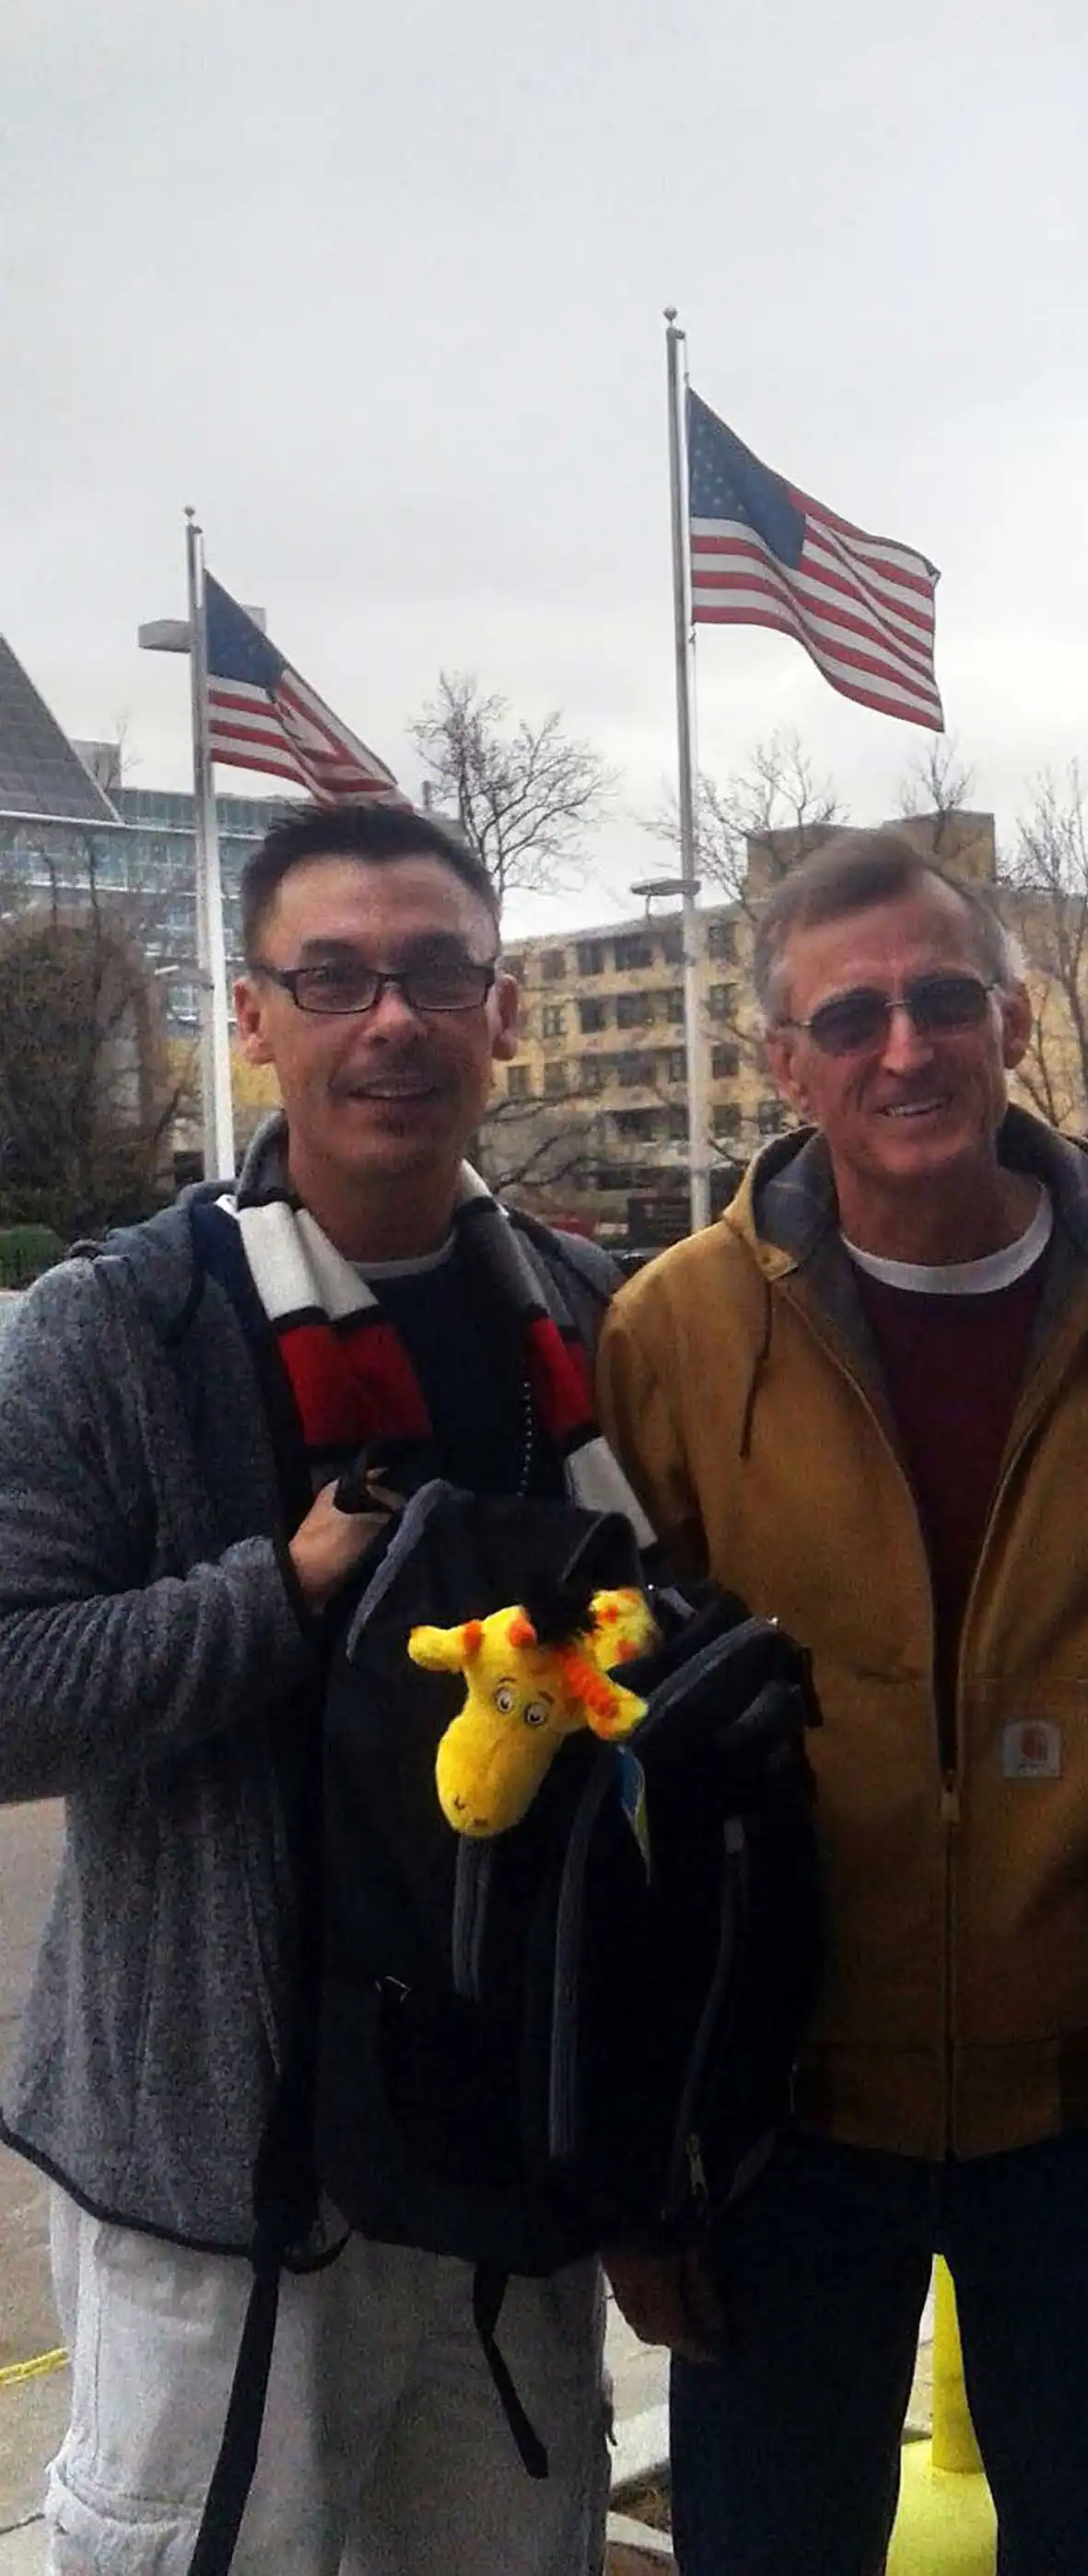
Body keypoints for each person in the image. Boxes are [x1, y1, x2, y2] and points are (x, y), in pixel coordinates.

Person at [595, 828, 1088, 2576]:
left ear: (1017, 1019)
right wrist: (646, 2156)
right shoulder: (672, 1333)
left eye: (944, 999)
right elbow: (620, 1764)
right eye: (854, 1014)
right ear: (783, 1061)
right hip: (787, 2118)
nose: (906, 1047)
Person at [0, 802, 626, 2576]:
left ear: (500, 1015)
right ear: (254, 1015)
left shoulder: (579, 1312)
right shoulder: (120, 1327)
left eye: (438, 973)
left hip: (506, 2144)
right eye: (334, 975)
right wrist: (272, 1595)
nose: (392, 1021)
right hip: (233, 2177)